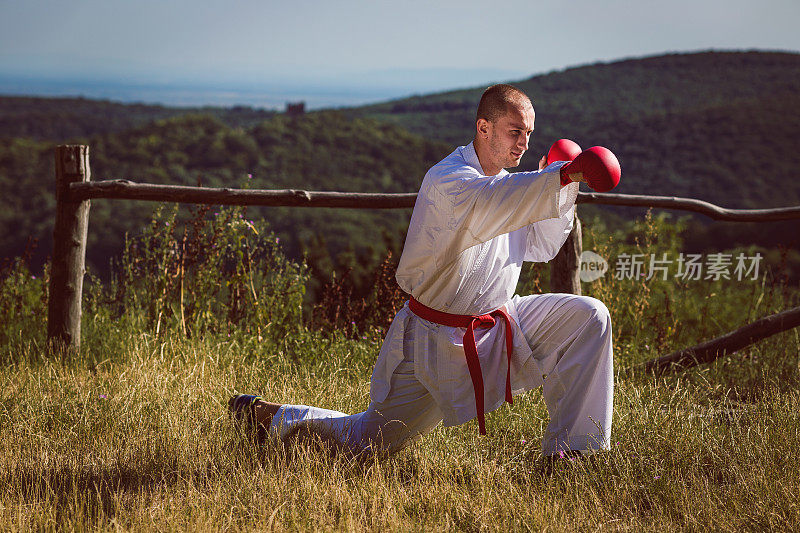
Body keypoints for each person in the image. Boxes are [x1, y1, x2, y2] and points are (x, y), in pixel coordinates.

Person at [230, 84, 614, 461]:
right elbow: (494, 202)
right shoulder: (448, 180)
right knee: (368, 442)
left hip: (499, 325)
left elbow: (541, 246)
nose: (524, 143)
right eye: (515, 132)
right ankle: (274, 417)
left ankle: (574, 451)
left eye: (529, 133)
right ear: (483, 128)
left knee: (589, 316)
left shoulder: (508, 187)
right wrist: (561, 176)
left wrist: (562, 185)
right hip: (435, 340)